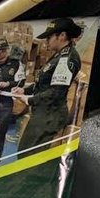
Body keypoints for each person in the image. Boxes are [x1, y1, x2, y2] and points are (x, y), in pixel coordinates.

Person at [15, 17, 83, 153]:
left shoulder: (68, 58)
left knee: (28, 155)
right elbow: (44, 83)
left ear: (62, 36)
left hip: (50, 115)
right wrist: (24, 90)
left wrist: (29, 100)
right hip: (43, 111)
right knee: (25, 151)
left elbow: (56, 92)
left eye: (49, 37)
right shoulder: (57, 56)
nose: (46, 41)